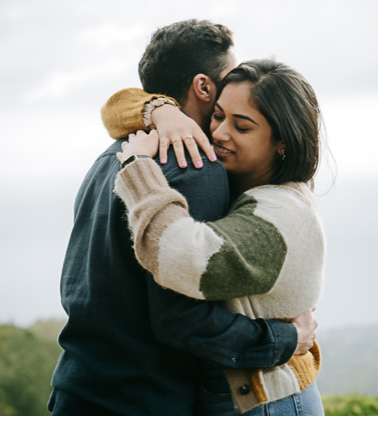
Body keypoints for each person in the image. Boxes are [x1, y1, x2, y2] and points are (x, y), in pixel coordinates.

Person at [48, 21, 317, 416]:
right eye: (230, 77)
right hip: (142, 397)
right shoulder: (196, 165)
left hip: (77, 385)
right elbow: (184, 318)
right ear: (204, 87)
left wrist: (155, 109)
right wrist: (284, 338)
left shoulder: (113, 154)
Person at [105, 59, 326, 416]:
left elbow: (184, 258)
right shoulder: (241, 182)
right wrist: (163, 112)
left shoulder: (284, 209)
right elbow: (117, 105)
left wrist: (138, 170)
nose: (219, 133)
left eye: (242, 126)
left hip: (270, 402)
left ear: (282, 142)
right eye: (218, 115)